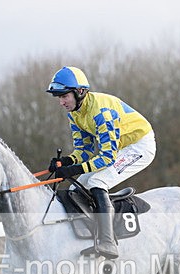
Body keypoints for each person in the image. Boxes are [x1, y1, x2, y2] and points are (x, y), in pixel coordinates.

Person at [46, 66, 156, 259]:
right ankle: (87, 238)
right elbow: (85, 150)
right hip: (120, 147)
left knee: (98, 182)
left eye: (64, 96)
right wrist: (66, 162)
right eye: (59, 97)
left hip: (140, 146)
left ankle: (108, 242)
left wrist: (75, 168)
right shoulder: (74, 113)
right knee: (76, 189)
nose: (61, 102)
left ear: (80, 92)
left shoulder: (101, 112)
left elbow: (107, 157)